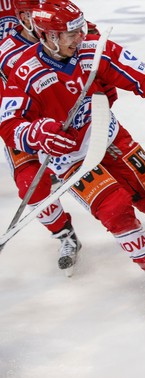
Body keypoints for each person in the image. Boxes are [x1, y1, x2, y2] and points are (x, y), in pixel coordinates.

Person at [0, 0, 145, 321]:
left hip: (104, 131)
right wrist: (36, 132)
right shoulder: (23, 70)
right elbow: (9, 124)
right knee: (115, 208)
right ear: (47, 36)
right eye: (70, 33)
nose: (80, 36)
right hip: (69, 156)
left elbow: (142, 77)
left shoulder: (93, 49)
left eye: (80, 29)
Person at [0, 0, 85, 276]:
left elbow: (85, 40)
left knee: (109, 169)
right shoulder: (6, 52)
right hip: (22, 119)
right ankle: (64, 235)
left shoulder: (50, 18)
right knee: (30, 185)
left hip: (65, 114)